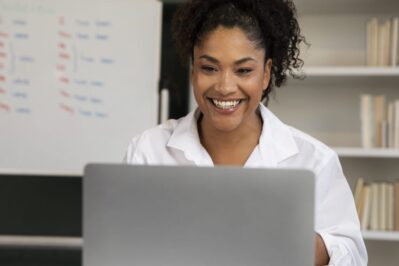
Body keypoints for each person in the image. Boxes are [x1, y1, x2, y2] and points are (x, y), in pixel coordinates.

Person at [124, 0, 368, 265]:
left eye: (243, 70)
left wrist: (293, 243)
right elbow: (120, 249)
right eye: (209, 68)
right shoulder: (149, 150)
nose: (225, 86)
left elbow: (352, 255)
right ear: (193, 71)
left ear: (265, 74)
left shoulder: (314, 160)